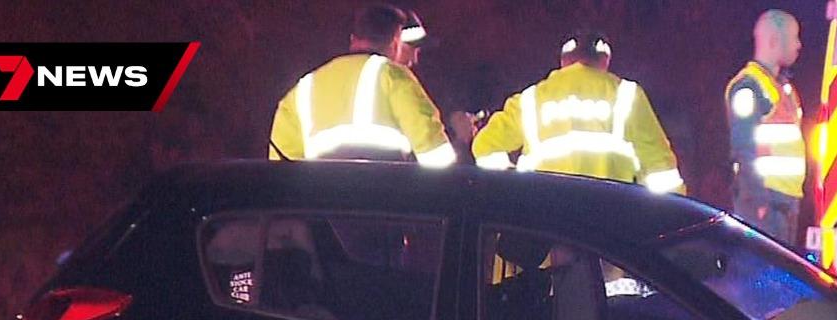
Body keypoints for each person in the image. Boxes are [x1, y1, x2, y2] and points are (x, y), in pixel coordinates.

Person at [471, 30, 685, 194]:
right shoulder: (627, 96)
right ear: (605, 60)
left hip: (545, 224)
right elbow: (662, 174)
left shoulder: (531, 99)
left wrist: (516, 189)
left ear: (563, 60)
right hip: (608, 229)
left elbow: (485, 148)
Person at [267, 3, 455, 165]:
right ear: (396, 42)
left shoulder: (304, 87)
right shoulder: (392, 75)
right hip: (384, 200)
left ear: (353, 39)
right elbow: (434, 151)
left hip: (327, 204)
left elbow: (282, 165)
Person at [726, 10, 805, 245]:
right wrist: (756, 203)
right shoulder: (749, 86)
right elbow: (743, 148)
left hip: (783, 201)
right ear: (773, 40)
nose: (799, 45)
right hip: (765, 203)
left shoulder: (780, 87)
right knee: (758, 274)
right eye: (794, 37)